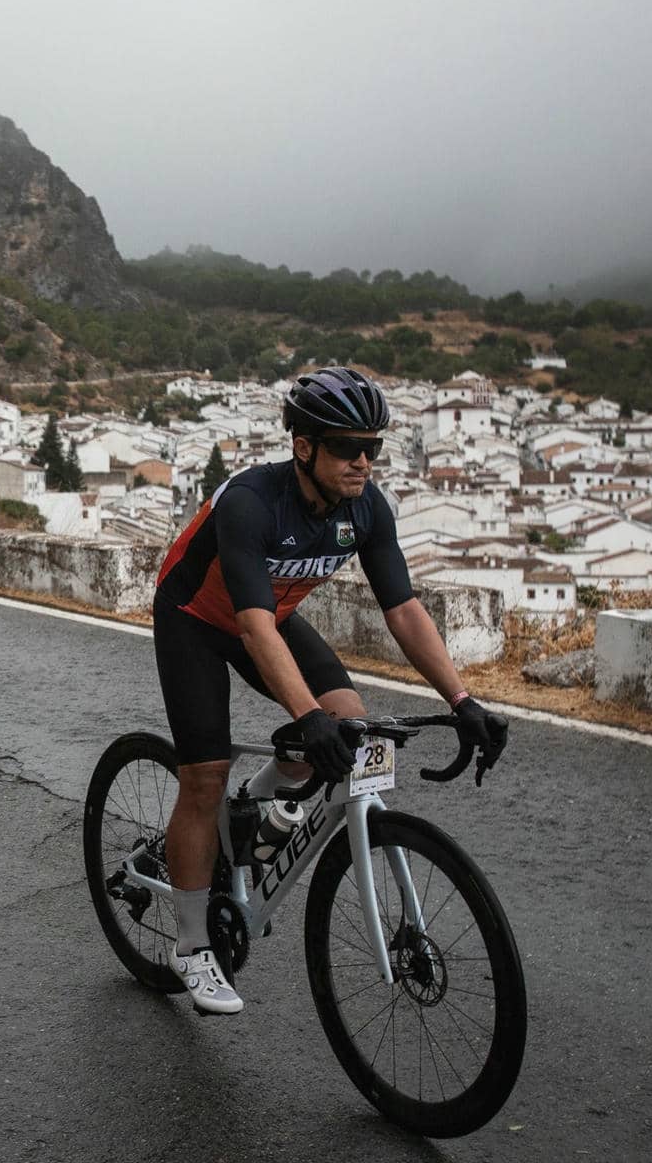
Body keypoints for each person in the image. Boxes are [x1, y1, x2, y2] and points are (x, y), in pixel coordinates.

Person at [152, 366, 508, 1015]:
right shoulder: (253, 504)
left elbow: (402, 610)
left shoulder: (366, 509)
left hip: (273, 618)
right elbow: (251, 626)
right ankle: (194, 944)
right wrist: (304, 714)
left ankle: (253, 810)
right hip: (198, 620)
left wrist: (462, 700)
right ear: (304, 447)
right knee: (204, 776)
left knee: (348, 722)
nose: (363, 461)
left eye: (373, 447)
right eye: (347, 447)